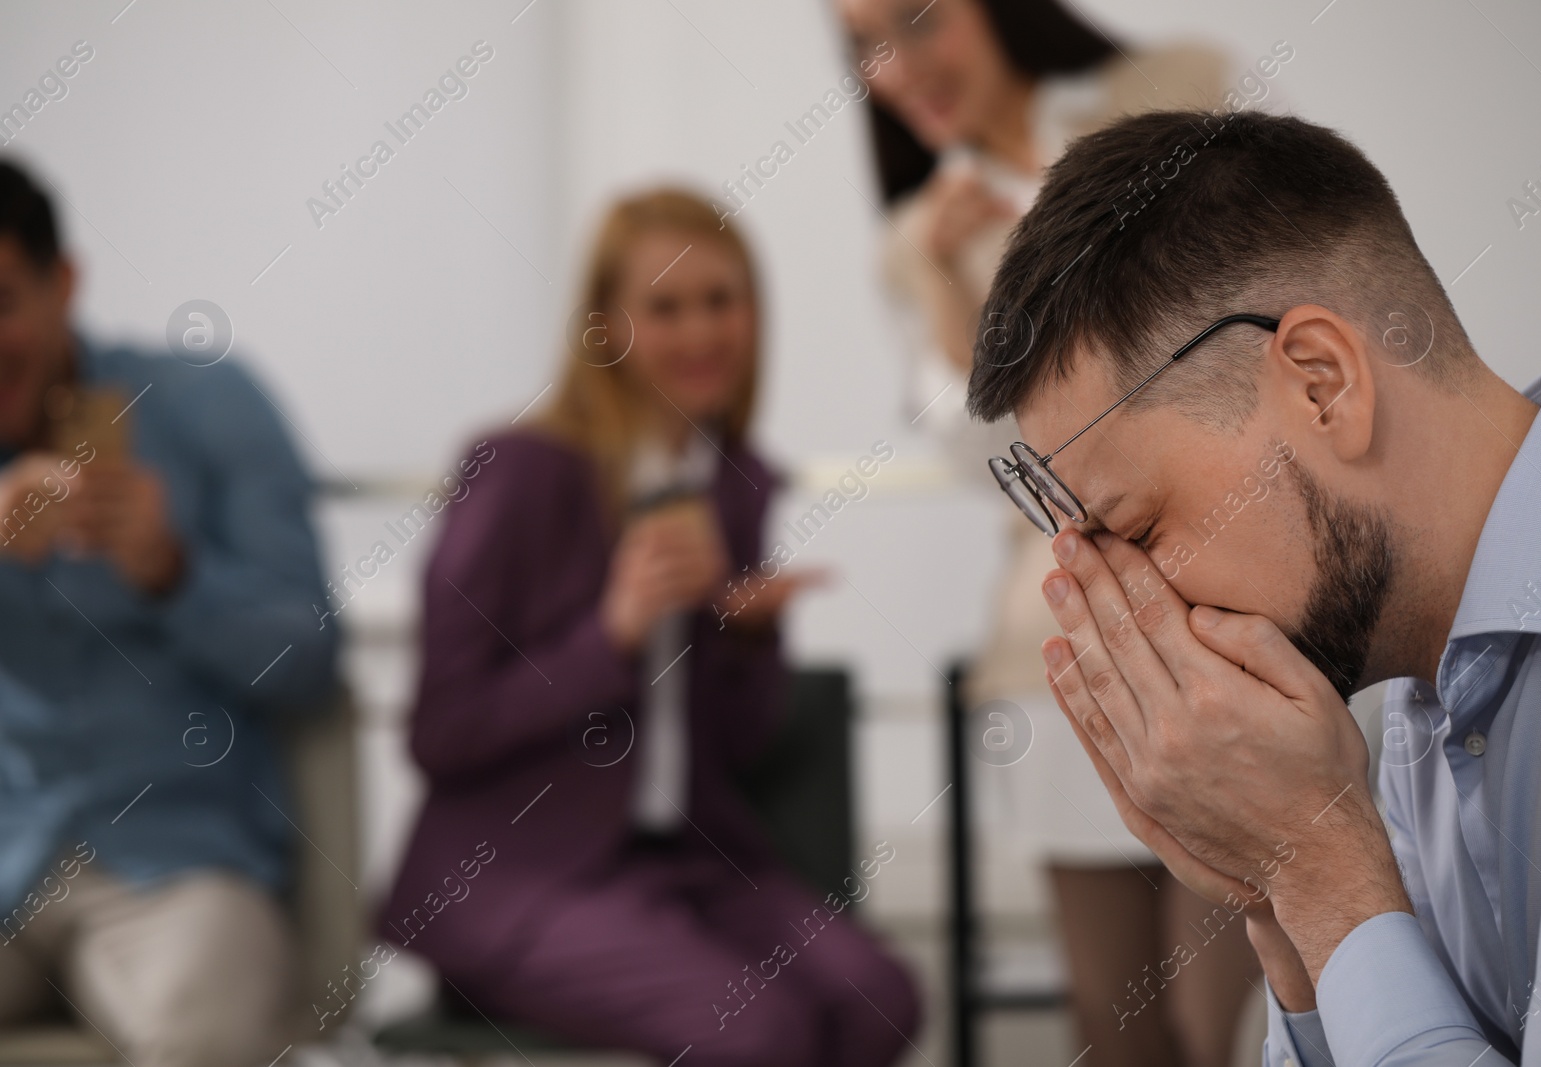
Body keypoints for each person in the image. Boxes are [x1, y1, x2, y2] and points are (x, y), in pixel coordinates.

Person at [966, 105, 1541, 1065]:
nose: (1147, 608)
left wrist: (1318, 865)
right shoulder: (1422, 694)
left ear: (1321, 384)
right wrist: (1279, 903)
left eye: (1139, 529)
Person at [381, 188, 920, 1067]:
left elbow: (738, 748)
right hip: (519, 872)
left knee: (880, 1003)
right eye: (665, 307)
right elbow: (441, 733)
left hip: (685, 857)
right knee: (761, 1035)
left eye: (721, 299)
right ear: (606, 327)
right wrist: (612, 633)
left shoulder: (735, 481)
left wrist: (749, 637)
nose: (702, 333)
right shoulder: (518, 472)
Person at [836, 0, 1258, 1061]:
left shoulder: (1183, 89)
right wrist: (942, 281)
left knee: (1227, 1026)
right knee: (1116, 1027)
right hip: (1066, 640)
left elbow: (1278, 317)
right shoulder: (916, 240)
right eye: (861, 45)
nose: (895, 66)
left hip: (1242, 609)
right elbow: (1000, 470)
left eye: (918, 21)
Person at [0, 160, 337, 1066]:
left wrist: (174, 571)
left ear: (62, 283)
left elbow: (309, 659)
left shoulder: (208, 407)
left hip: (180, 867)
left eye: (0, 304)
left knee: (203, 1036)